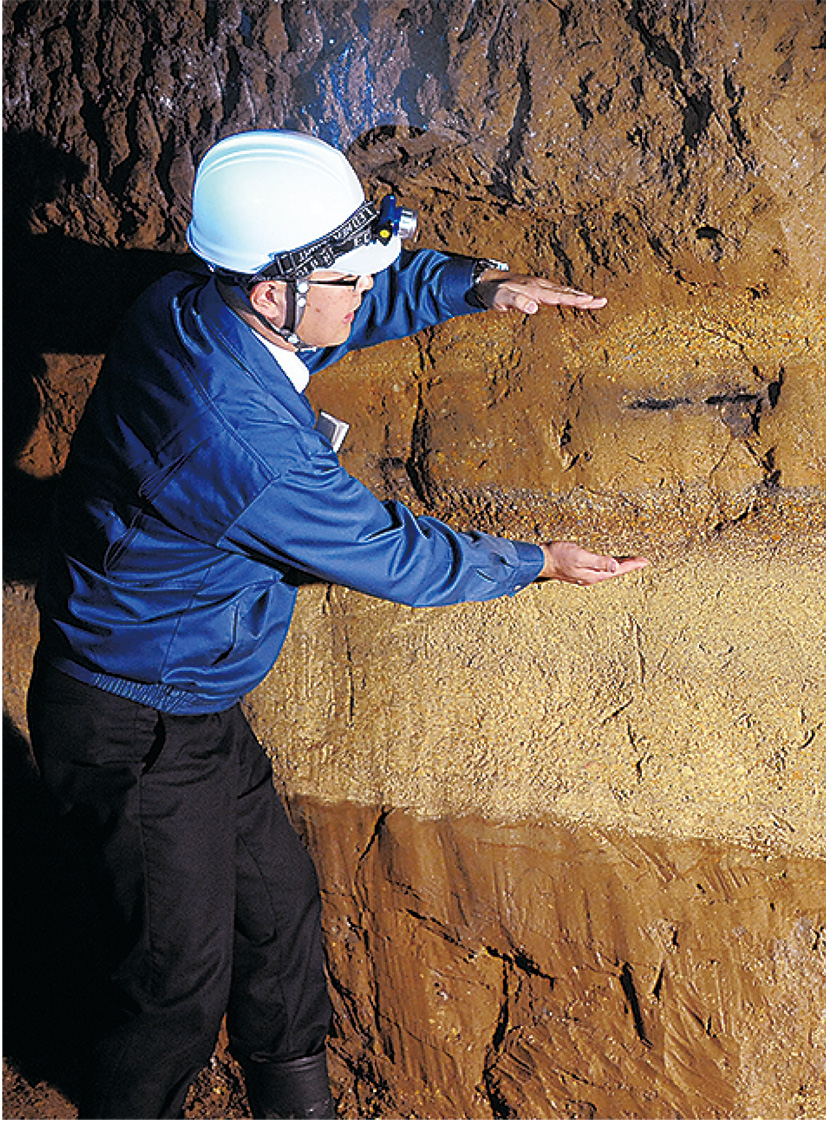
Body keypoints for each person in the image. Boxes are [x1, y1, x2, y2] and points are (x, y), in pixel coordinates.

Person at [26, 129, 648, 1120]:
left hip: (191, 703)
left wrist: (469, 285)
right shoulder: (242, 441)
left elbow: (337, 312)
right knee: (176, 985)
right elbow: (395, 554)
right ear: (273, 288)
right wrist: (537, 561)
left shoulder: (200, 302)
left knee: (279, 916)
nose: (366, 292)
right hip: (129, 723)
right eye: (351, 278)